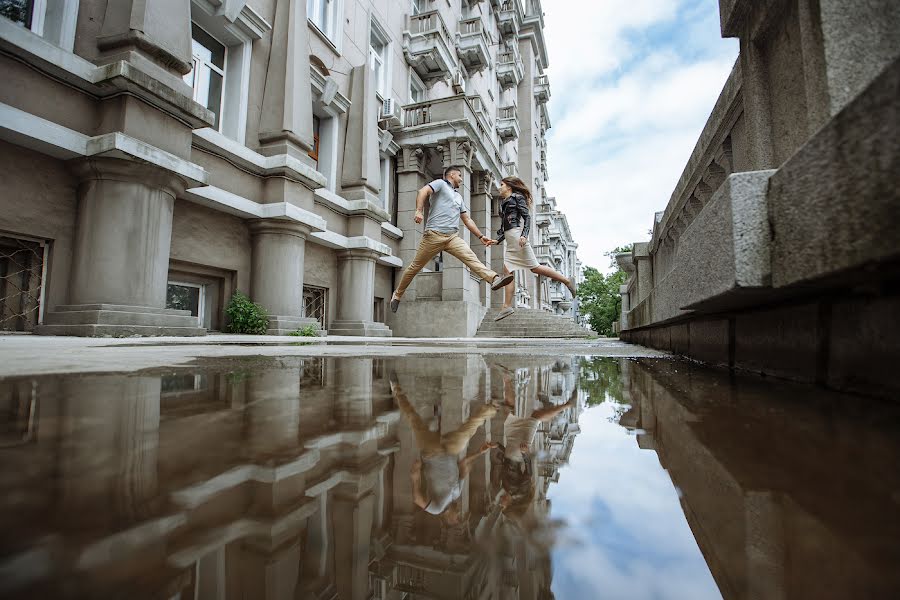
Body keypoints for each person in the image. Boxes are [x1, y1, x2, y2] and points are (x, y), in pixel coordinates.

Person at [391, 166, 515, 313]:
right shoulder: (440, 184)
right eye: (460, 176)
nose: (462, 179)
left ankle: (494, 279)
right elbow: (423, 191)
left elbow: (467, 219)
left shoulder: (458, 197)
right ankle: (397, 294)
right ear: (452, 174)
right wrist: (418, 210)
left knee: (471, 258)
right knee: (414, 268)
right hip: (433, 236)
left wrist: (480, 236)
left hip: (452, 238)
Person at [390, 372, 497, 521]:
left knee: (414, 418)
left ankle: (396, 389)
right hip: (449, 450)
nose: (459, 513)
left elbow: (417, 499)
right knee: (466, 433)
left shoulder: (437, 509)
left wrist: (415, 476)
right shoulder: (457, 494)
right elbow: (463, 464)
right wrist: (480, 452)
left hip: (431, 453)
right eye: (460, 516)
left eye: (456, 518)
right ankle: (491, 408)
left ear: (448, 519)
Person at [493, 176, 578, 321]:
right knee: (508, 271)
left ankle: (567, 281)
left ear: (509, 186)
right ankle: (507, 306)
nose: (499, 187)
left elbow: (527, 217)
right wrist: (496, 240)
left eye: (501, 184)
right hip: (510, 238)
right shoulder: (504, 202)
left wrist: (524, 235)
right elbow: (505, 226)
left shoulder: (517, 197)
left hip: (517, 237)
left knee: (535, 268)